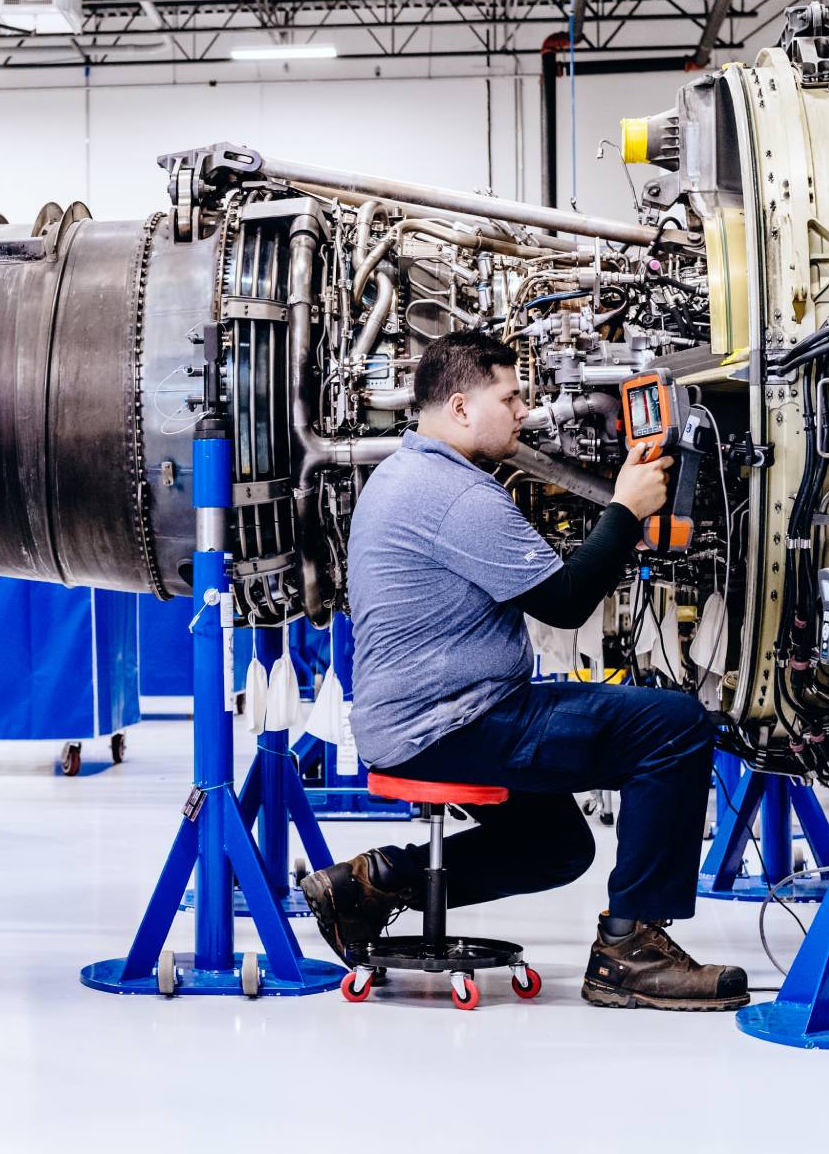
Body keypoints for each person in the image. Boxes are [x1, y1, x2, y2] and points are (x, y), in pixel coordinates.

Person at [299, 330, 747, 1012]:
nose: (522, 411)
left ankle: (376, 882)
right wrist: (626, 509)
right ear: (458, 407)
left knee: (557, 846)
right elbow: (565, 605)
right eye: (508, 398)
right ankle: (631, 954)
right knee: (674, 726)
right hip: (450, 723)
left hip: (431, 714)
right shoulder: (456, 496)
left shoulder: (402, 474)